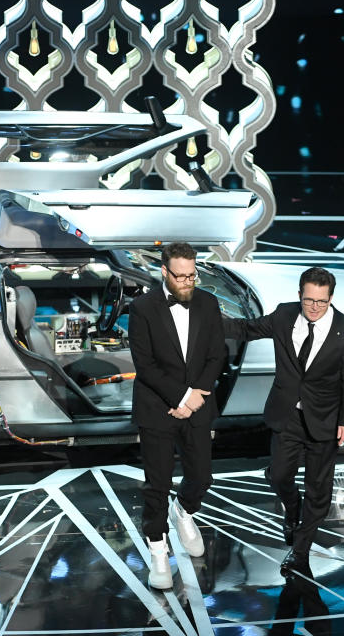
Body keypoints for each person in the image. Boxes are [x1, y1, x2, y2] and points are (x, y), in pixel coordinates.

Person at [223, 267, 344, 575]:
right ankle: (292, 510)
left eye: (322, 302)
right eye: (309, 300)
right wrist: (202, 322)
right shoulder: (285, 315)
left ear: (331, 298)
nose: (315, 307)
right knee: (280, 476)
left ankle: (301, 550)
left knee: (318, 489)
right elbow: (247, 329)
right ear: (299, 296)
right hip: (288, 415)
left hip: (325, 419)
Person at [127, 242, 227, 590]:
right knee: (157, 485)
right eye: (181, 276)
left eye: (192, 275)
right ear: (164, 272)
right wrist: (180, 397)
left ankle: (183, 512)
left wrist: (195, 396)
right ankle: (158, 551)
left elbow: (217, 355)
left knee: (201, 477)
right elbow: (145, 365)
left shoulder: (209, 303)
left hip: (197, 406)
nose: (187, 282)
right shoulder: (142, 308)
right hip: (158, 407)